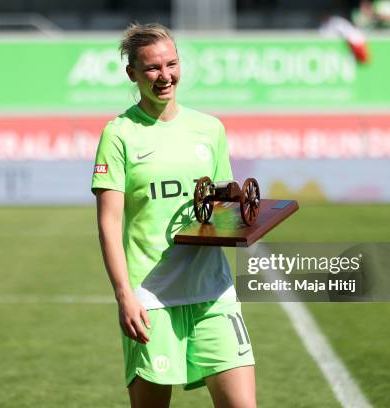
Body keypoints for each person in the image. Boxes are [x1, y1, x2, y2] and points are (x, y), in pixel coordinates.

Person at [91, 23, 256, 408]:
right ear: (132, 74)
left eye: (171, 64)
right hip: (151, 299)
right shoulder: (119, 134)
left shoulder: (209, 129)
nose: (165, 76)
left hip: (214, 293)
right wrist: (124, 296)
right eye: (151, 68)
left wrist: (245, 214)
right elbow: (109, 223)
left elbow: (220, 210)